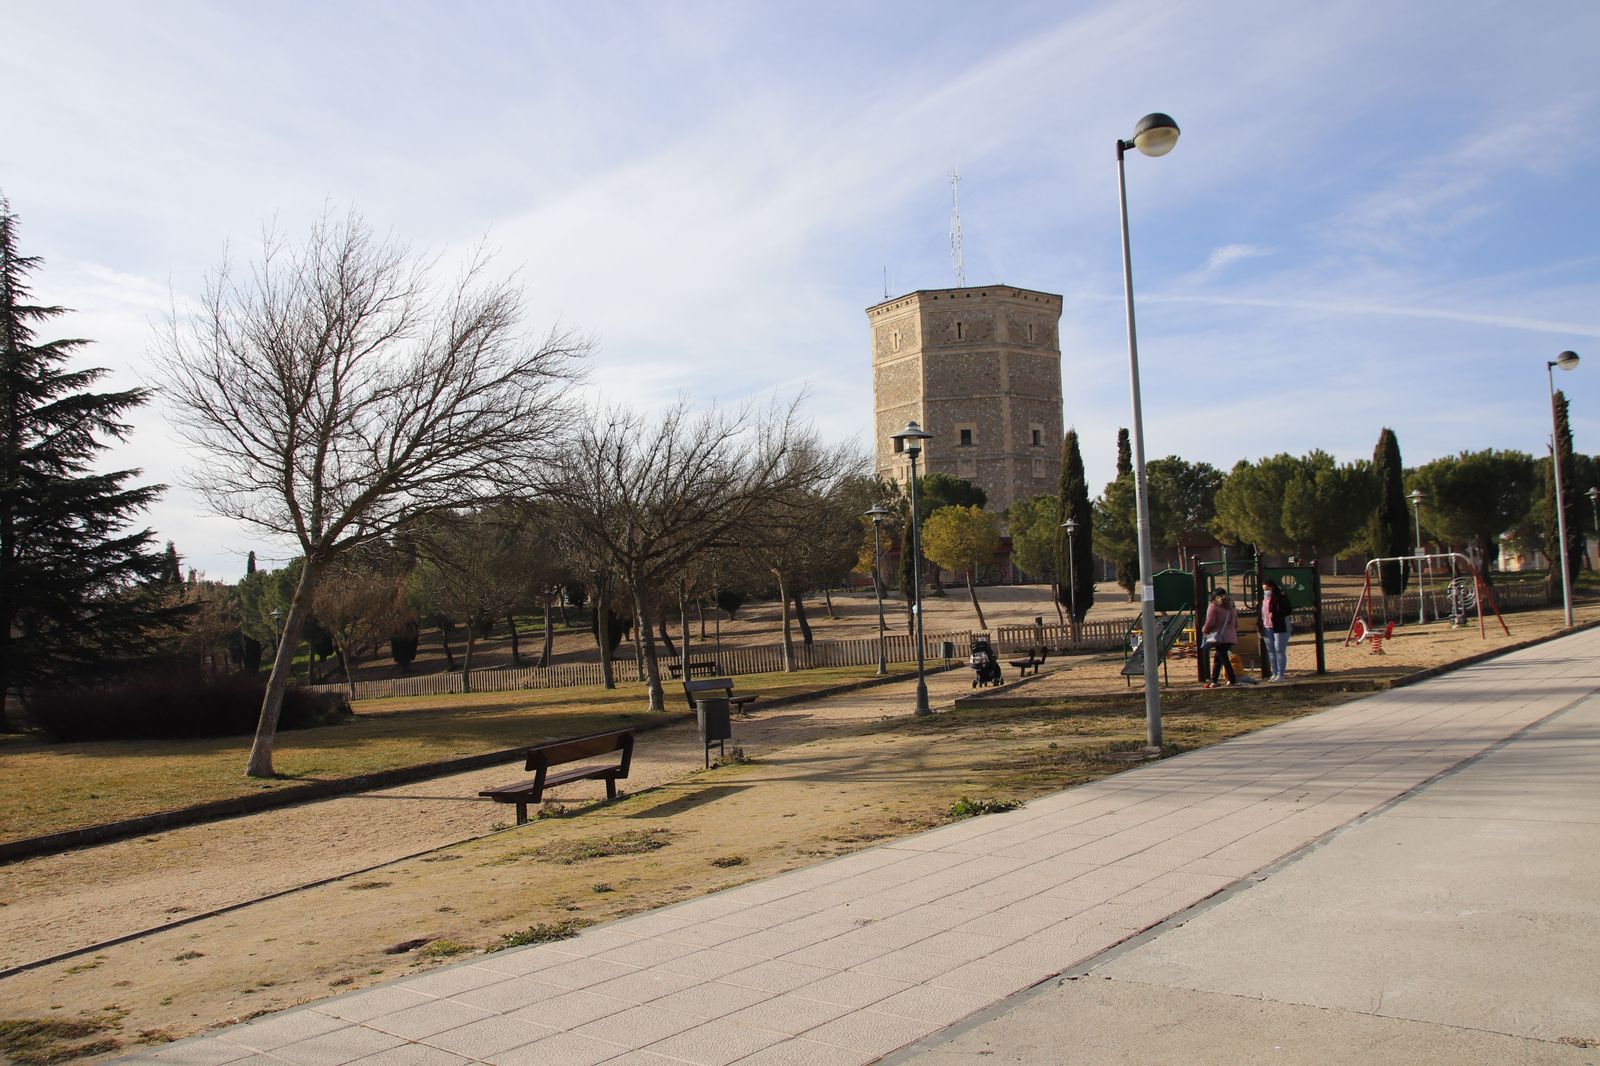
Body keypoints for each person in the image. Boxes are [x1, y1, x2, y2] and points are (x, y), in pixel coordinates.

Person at [1201, 588, 1238, 687]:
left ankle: (1232, 680)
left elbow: (1210, 622)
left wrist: (1205, 630)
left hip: (1219, 636)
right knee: (1218, 658)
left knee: (1224, 659)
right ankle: (1214, 681)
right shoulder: (1232, 606)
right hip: (1230, 636)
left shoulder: (1213, 606)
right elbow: (1236, 623)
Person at [1260, 578, 1291, 681]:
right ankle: (1274, 673)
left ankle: (1280, 674)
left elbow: (1287, 610)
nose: (1266, 591)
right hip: (1267, 626)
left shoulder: (1281, 596)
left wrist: (1276, 611)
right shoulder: (1263, 599)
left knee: (1279, 650)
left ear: (1272, 587)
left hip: (1280, 626)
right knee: (1271, 651)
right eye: (1264, 589)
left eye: (1267, 589)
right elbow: (1261, 613)